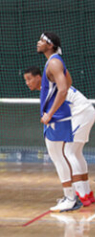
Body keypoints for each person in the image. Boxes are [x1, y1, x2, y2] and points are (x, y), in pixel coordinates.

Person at [23, 66, 95, 207]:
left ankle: (78, 195)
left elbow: (59, 107)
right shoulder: (49, 88)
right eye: (25, 80)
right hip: (85, 112)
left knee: (68, 152)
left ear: (39, 77)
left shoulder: (50, 88)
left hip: (81, 112)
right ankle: (86, 194)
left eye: (29, 79)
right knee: (76, 152)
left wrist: (48, 117)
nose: (27, 83)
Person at [36, 32, 83, 212]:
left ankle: (70, 197)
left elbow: (63, 90)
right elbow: (68, 82)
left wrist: (49, 113)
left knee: (58, 157)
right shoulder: (55, 62)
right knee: (60, 156)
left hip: (58, 118)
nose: (38, 43)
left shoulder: (54, 62)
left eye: (41, 41)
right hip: (59, 117)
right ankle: (69, 195)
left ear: (50, 45)